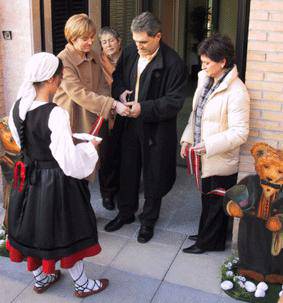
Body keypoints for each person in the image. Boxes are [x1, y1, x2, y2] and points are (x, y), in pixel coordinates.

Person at [7, 52, 108, 297]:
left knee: (32, 226)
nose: (61, 79)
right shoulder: (56, 113)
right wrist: (88, 149)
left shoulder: (18, 105)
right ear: (52, 80)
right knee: (68, 230)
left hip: (29, 179)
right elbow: (69, 162)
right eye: (60, 75)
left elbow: (24, 142)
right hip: (56, 181)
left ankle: (41, 278)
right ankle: (82, 284)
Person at [104, 12, 188, 243]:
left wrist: (143, 107)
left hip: (156, 129)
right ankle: (126, 213)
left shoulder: (174, 63)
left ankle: (148, 221)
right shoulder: (131, 51)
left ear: (158, 36)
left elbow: (174, 102)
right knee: (127, 170)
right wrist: (120, 91)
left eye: (143, 42)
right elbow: (118, 76)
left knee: (154, 174)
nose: (138, 46)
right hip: (128, 123)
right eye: (135, 40)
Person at [180, 34, 250, 254]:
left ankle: (207, 242)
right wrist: (187, 139)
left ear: (223, 62)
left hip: (219, 158)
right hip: (205, 154)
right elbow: (196, 114)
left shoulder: (237, 91)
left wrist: (208, 145)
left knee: (215, 202)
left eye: (207, 63)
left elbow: (240, 133)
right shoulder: (206, 79)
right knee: (207, 198)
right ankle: (207, 235)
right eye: (202, 62)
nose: (203, 66)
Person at [53, 14, 130, 198]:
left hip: (96, 117)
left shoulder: (93, 55)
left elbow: (103, 85)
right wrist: (112, 104)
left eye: (91, 37)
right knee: (75, 170)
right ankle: (78, 215)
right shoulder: (63, 60)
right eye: (85, 38)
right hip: (75, 119)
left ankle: (101, 199)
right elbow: (78, 93)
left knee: (96, 161)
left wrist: (108, 105)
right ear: (72, 38)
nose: (90, 42)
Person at [97, 26, 122, 210]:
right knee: (106, 154)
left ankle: (124, 187)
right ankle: (107, 193)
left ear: (119, 41)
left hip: (126, 111)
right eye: (104, 42)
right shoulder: (98, 63)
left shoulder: (129, 58)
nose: (108, 45)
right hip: (106, 112)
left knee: (125, 152)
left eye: (111, 40)